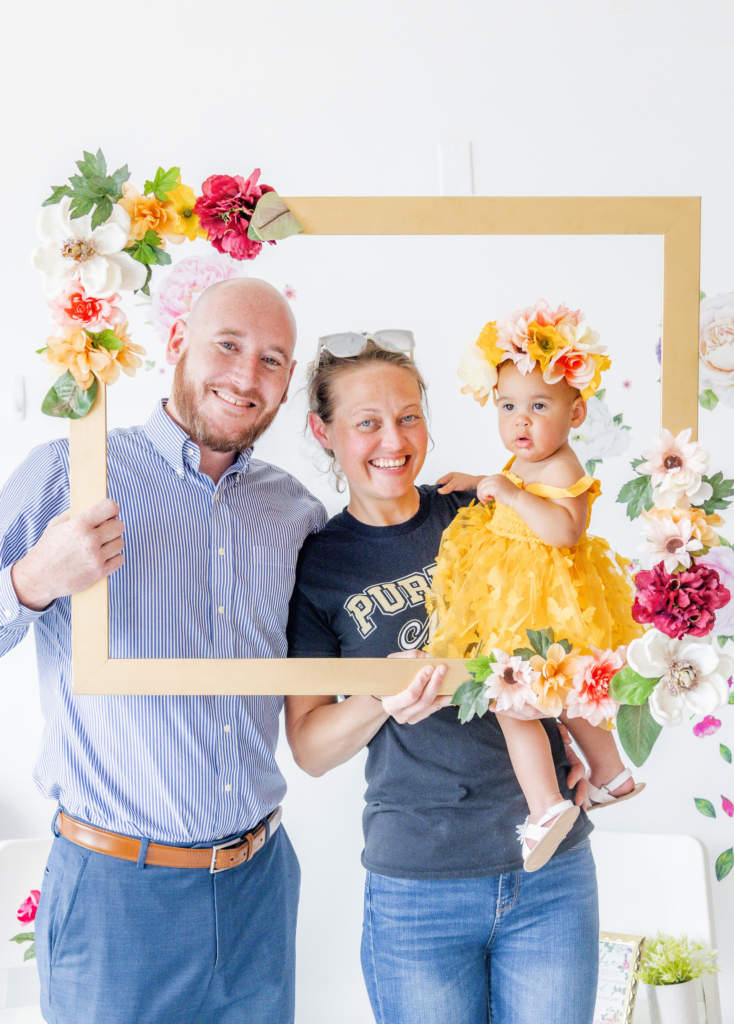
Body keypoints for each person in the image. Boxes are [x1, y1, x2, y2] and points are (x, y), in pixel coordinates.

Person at [0, 278, 327, 1024]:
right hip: (117, 896)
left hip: (258, 890)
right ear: (177, 341)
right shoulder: (68, 473)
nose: (247, 377)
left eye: (273, 360)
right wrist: (32, 579)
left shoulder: (295, 513)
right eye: (229, 345)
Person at [285, 332, 598, 1024]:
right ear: (324, 431)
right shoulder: (315, 567)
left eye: (408, 416)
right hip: (417, 888)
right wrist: (379, 696)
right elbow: (309, 749)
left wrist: (576, 729)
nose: (392, 440)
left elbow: (570, 623)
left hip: (549, 872)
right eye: (366, 422)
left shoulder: (486, 508)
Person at [425, 301, 645, 871]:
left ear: (576, 414)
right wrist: (485, 482)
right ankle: (613, 774)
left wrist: (516, 496)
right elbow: (515, 480)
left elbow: (564, 529)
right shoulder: (531, 458)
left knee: (514, 702)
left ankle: (546, 806)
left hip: (544, 600)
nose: (520, 422)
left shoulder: (565, 468)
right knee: (569, 698)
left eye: (538, 406)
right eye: (507, 407)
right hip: (522, 596)